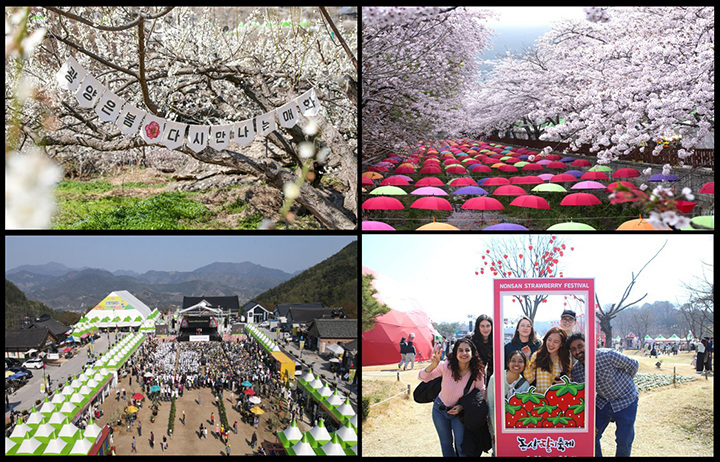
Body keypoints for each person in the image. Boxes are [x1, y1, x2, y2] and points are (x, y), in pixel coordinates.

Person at [567, 332, 638, 457]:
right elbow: (581, 396)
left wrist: (624, 383)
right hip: (602, 403)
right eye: (573, 349)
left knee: (624, 440)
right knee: (590, 436)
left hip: (626, 401)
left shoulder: (607, 355)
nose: (578, 351)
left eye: (580, 346)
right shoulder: (577, 371)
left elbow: (633, 365)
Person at [418, 338, 485, 457]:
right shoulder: (446, 366)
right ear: (455, 353)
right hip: (440, 410)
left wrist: (462, 407)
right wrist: (433, 365)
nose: (464, 353)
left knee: (461, 445)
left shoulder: (477, 372)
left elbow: (480, 393)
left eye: (467, 350)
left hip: (459, 414)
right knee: (446, 444)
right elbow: (423, 377)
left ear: (472, 353)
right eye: (460, 350)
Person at [486, 350, 531, 455]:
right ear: (508, 363)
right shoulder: (495, 378)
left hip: (515, 427)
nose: (516, 364)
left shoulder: (525, 385)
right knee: (498, 452)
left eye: (520, 361)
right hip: (496, 424)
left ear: (524, 365)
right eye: (513, 361)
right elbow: (492, 405)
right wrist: (496, 430)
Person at [523, 327, 572, 394]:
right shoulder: (537, 355)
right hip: (541, 399)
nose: (551, 344)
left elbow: (570, 380)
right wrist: (526, 358)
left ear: (561, 344)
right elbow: (530, 379)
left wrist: (566, 382)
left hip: (559, 399)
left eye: (556, 342)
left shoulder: (566, 360)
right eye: (549, 340)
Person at [468, 314, 494, 385]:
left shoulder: (496, 343)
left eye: (488, 326)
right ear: (478, 327)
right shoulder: (470, 341)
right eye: (482, 326)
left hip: (490, 381)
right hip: (470, 379)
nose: (485, 329)